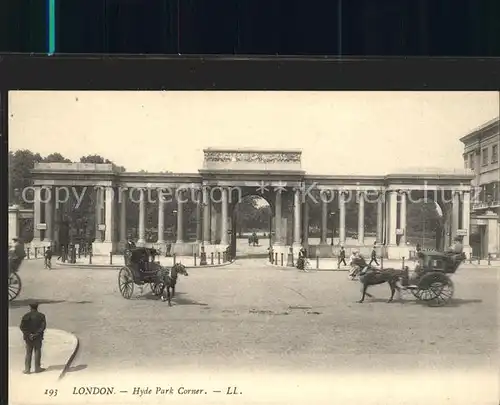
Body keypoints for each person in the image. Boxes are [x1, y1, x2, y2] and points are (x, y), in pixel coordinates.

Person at [20, 302, 46, 374]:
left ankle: (27, 369)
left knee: (28, 353)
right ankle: (37, 368)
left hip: (28, 338)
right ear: (37, 307)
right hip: (38, 337)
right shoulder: (41, 316)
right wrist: (36, 334)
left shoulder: (26, 316)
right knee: (37, 351)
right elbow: (43, 327)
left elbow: (22, 327)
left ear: (30, 307)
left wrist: (29, 334)